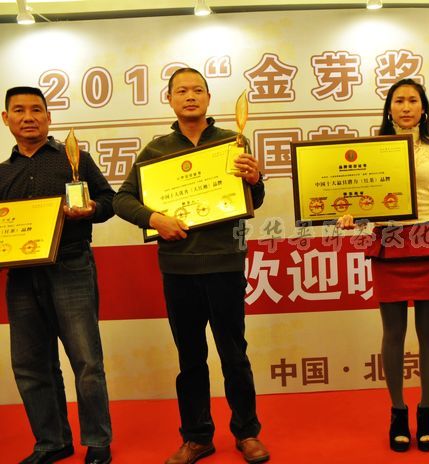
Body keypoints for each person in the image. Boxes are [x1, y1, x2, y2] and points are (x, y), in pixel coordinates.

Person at [112, 68, 269, 464]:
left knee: (235, 355)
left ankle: (247, 432)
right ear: (170, 99)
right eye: (181, 90)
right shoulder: (156, 151)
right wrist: (154, 219)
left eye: (198, 89)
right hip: (179, 269)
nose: (190, 96)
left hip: (225, 264)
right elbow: (122, 199)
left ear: (208, 97)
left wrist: (255, 179)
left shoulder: (232, 141)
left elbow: (253, 200)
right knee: (191, 359)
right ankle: (197, 437)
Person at [339, 78, 429, 452]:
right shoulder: (374, 147)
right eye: (399, 101)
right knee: (393, 333)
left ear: (423, 108)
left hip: (428, 237)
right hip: (390, 240)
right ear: (389, 108)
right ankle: (397, 411)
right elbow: (363, 197)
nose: (407, 107)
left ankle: (426, 410)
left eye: (413, 100)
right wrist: (350, 215)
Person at [1, 86, 114, 464]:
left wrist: (92, 208)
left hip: (71, 266)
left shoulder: (74, 158)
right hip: (21, 276)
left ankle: (97, 440)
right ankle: (52, 442)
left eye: (36, 110)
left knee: (86, 361)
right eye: (19, 110)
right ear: (6, 119)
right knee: (30, 364)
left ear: (49, 117)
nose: (28, 117)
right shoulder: (3, 173)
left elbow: (110, 201)